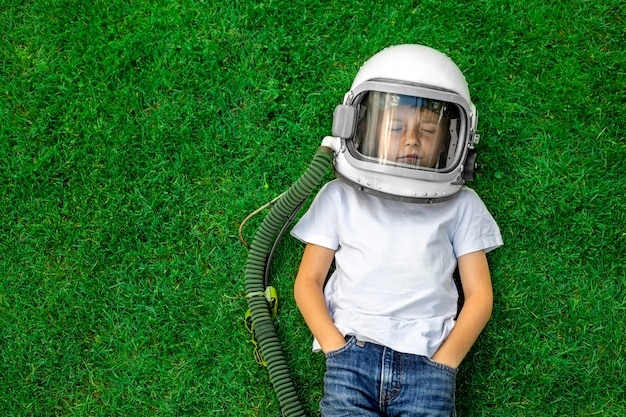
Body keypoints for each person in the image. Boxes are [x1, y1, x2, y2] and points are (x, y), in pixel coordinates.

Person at [290, 44, 503, 416]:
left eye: (427, 129)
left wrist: (447, 361)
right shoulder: (339, 197)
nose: (410, 139)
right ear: (358, 123)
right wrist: (333, 347)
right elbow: (307, 280)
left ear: (453, 139)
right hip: (350, 358)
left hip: (429, 363)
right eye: (396, 126)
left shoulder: (462, 205)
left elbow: (480, 294)